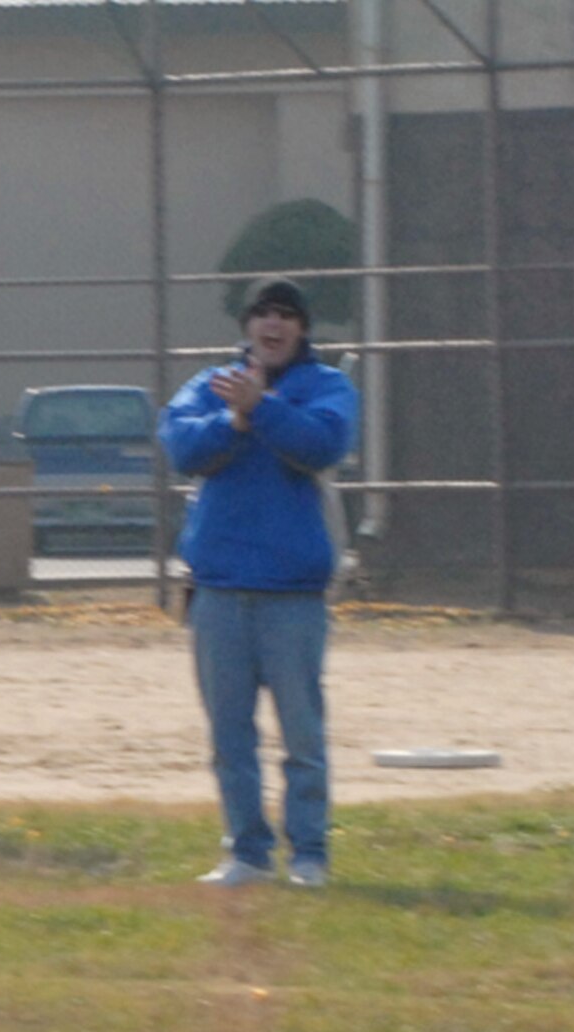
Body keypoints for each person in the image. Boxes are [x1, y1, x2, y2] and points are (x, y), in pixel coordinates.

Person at [158, 276, 360, 889]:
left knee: (301, 735)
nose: (272, 326)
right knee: (230, 737)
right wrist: (235, 421)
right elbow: (180, 446)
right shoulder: (210, 385)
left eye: (285, 316)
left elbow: (323, 443)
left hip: (293, 596)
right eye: (262, 315)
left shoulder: (326, 386)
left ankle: (309, 854)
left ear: (302, 328)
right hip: (218, 592)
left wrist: (263, 408)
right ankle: (246, 852)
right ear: (246, 325)